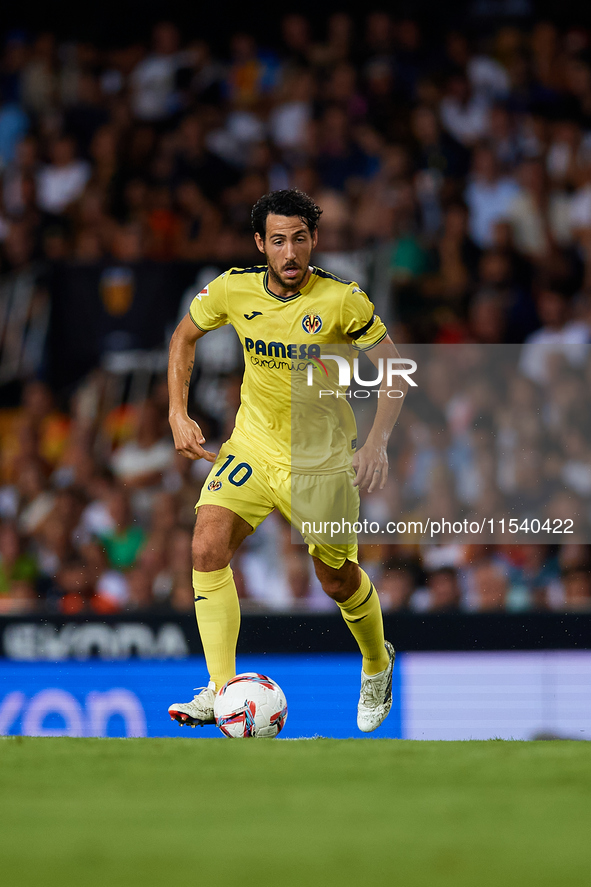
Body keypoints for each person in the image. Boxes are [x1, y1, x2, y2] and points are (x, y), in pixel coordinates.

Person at [166, 189, 407, 732]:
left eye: (300, 239)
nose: (291, 252)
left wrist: (376, 442)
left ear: (314, 241)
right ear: (261, 244)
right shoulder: (233, 289)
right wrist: (178, 414)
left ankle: (376, 662)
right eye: (279, 241)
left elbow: (394, 369)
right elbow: (184, 338)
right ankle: (221, 687)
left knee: (336, 580)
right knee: (206, 546)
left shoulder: (343, 301)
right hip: (252, 446)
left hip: (321, 464)